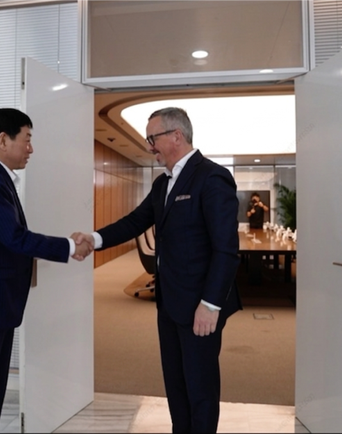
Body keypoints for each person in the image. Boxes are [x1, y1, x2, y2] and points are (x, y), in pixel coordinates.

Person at [74, 107, 241, 433]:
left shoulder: (212, 177)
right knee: (176, 386)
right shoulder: (163, 183)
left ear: (176, 136)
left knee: (200, 389)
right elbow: (135, 221)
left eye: (153, 138)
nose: (149, 146)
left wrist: (210, 305)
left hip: (199, 306)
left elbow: (226, 250)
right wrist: (94, 239)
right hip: (169, 302)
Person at [0, 108, 92, 433]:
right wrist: (69, 246)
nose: (30, 148)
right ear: (3, 140)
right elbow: (14, 237)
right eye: (27, 139)